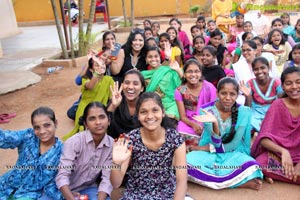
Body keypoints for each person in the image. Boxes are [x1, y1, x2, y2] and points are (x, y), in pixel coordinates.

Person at [187, 77, 263, 190]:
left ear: (237, 95)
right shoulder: (206, 110)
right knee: (184, 164)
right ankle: (238, 183)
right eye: (223, 93)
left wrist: (203, 148)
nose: (227, 98)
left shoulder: (243, 112)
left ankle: (218, 181)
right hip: (209, 154)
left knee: (252, 166)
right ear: (217, 93)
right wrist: (215, 124)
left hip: (232, 152)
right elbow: (216, 143)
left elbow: (234, 144)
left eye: (232, 94)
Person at [110, 92, 187, 199]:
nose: (150, 116)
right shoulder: (130, 139)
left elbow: (181, 180)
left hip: (168, 192)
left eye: (155, 110)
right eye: (143, 112)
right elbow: (116, 183)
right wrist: (116, 163)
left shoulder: (175, 138)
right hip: (136, 194)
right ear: (138, 116)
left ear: (163, 112)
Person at [0, 107, 63, 199]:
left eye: (47, 125)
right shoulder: (28, 136)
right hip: (6, 184)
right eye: (37, 127)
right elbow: (6, 138)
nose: (42, 131)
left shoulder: (62, 152)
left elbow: (56, 182)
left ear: (56, 123)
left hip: (28, 194)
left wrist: (66, 194)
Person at [251, 67, 300, 185]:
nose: (294, 87)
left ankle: (286, 175)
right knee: (260, 164)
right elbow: (263, 139)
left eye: (298, 82)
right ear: (282, 86)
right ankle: (293, 176)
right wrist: (284, 152)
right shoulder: (278, 105)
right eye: (289, 83)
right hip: (279, 156)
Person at [56, 102, 113, 200]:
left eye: (102, 117)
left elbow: (107, 179)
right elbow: (62, 176)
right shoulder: (74, 142)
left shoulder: (111, 144)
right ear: (86, 124)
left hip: (89, 188)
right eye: (92, 118)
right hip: (65, 190)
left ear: (109, 120)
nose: (98, 122)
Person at [63, 56, 114, 140]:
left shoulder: (109, 80)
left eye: (102, 64)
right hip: (85, 110)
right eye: (97, 65)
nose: (101, 66)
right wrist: (97, 74)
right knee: (84, 135)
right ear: (91, 69)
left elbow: (112, 97)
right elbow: (90, 86)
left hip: (101, 109)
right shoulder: (85, 79)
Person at [175, 59, 217, 149]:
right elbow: (182, 116)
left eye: (196, 71)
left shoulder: (209, 88)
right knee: (179, 133)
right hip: (188, 123)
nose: (193, 75)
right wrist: (193, 124)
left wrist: (203, 124)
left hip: (207, 121)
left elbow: (215, 111)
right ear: (185, 74)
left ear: (201, 73)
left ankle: (200, 148)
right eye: (189, 72)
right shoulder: (180, 90)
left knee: (214, 134)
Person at [239, 57, 283, 132]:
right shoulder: (250, 84)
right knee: (246, 124)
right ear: (253, 71)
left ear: (268, 68)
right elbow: (248, 108)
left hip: (272, 111)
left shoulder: (276, 83)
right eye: (256, 69)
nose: (259, 71)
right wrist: (248, 96)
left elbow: (281, 104)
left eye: (263, 68)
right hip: (255, 112)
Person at [141, 46, 182, 120]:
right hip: (151, 106)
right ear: (146, 59)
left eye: (156, 56)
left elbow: (182, 88)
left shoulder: (170, 71)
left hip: (170, 106)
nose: (153, 59)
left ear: (160, 58)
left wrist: (179, 70)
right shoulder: (143, 75)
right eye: (150, 57)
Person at [107, 70, 146, 139]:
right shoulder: (115, 100)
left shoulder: (147, 105)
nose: (130, 87)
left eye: (135, 84)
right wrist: (113, 106)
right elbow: (105, 125)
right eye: (127, 83)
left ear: (142, 88)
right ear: (122, 85)